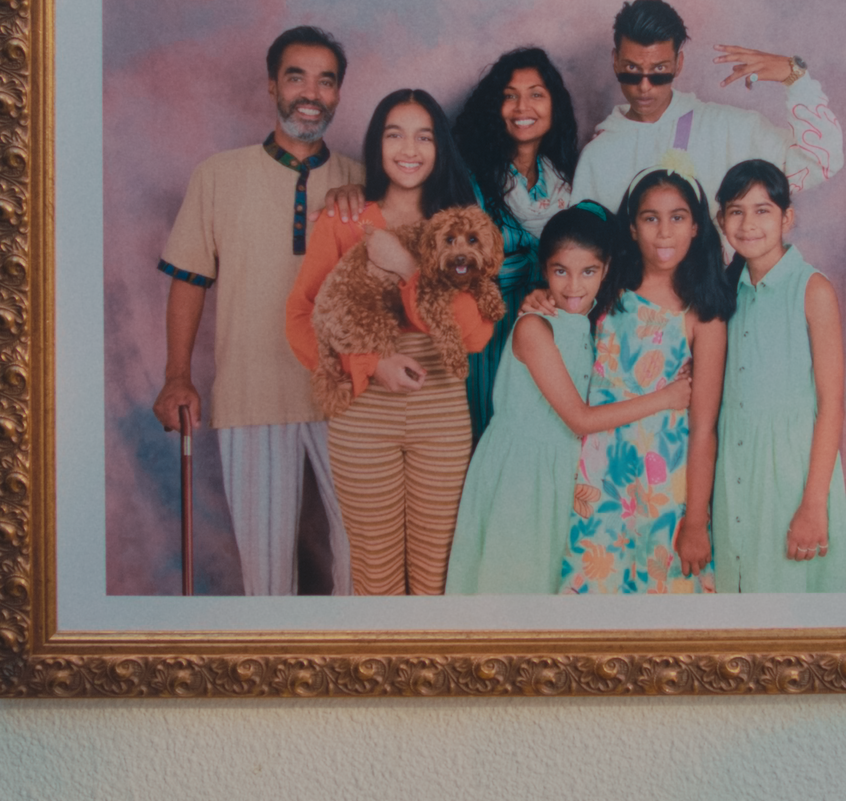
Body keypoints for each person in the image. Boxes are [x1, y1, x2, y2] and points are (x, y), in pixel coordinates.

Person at [153, 25, 361, 596]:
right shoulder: (217, 175)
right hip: (252, 394)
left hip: (348, 397)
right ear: (272, 85)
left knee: (365, 566)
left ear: (339, 93)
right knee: (266, 582)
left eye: (326, 81)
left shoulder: (361, 179)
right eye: (297, 77)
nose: (311, 93)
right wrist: (177, 377)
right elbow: (189, 280)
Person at [284, 89, 493, 596]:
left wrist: (407, 267)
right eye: (395, 135)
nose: (409, 149)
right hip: (363, 414)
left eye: (424, 137)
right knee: (375, 576)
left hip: (441, 411)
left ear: (439, 148)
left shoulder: (458, 227)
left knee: (436, 577)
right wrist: (371, 363)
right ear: (377, 144)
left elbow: (473, 335)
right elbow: (301, 317)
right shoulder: (344, 221)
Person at [446, 205, 692, 595]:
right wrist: (666, 398)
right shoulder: (534, 327)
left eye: (588, 272)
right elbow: (579, 419)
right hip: (522, 474)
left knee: (547, 586)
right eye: (560, 271)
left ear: (605, 269)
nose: (574, 286)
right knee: (509, 585)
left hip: (563, 470)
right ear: (544, 269)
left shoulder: (593, 321)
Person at [559, 169, 733, 594]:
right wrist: (541, 297)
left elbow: (704, 427)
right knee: (593, 586)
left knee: (662, 591)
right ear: (633, 227)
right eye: (651, 218)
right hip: (597, 472)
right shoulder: (606, 286)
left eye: (678, 217)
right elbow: (562, 303)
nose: (664, 231)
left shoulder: (702, 313)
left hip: (666, 480)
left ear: (696, 226)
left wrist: (695, 522)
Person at [712, 160, 846, 592]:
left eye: (762, 210)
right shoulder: (724, 292)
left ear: (787, 217)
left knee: (787, 600)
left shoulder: (812, 290)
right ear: (720, 219)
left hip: (791, 477)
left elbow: (831, 405)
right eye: (736, 211)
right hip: (734, 469)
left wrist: (813, 505)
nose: (748, 224)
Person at [568, 0, 846, 213]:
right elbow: (582, 249)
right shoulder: (599, 155)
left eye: (659, 70)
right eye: (632, 69)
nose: (644, 86)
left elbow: (820, 161)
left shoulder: (727, 129)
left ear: (679, 64)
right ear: (615, 61)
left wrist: (795, 78)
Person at [452, 47, 579, 439]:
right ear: (495, 106)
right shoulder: (468, 178)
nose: (523, 107)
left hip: (549, 328)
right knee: (487, 433)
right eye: (510, 95)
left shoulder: (563, 179)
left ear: (554, 104)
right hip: (486, 331)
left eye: (536, 94)